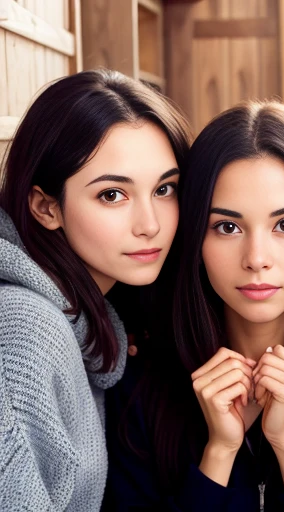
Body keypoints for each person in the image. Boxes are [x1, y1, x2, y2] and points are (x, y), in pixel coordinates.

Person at [104, 100, 284, 511]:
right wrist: (220, 453)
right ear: (195, 241)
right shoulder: (138, 385)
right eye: (227, 227)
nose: (256, 258)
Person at [0, 69, 191, 511]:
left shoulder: (94, 316)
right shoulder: (26, 331)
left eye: (164, 189)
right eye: (112, 195)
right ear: (47, 208)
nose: (151, 224)